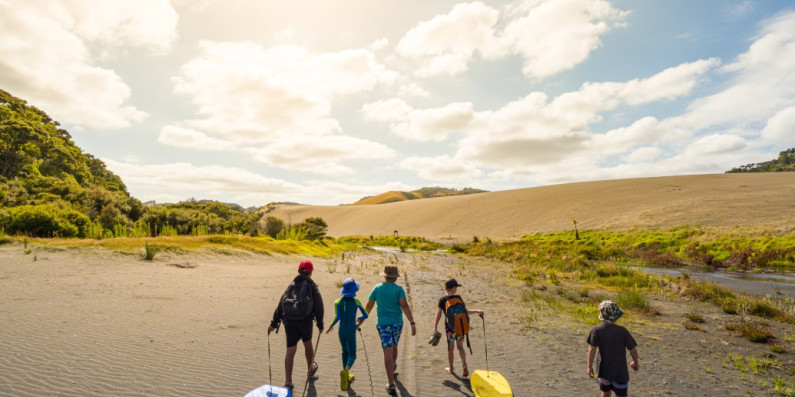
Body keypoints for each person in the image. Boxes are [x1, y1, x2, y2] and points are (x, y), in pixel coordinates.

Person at [357, 265, 416, 396]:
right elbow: (405, 306)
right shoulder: (399, 289)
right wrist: (412, 322)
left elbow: (369, 305)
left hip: (383, 325)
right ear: (395, 277)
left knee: (387, 352)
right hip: (397, 324)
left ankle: (391, 384)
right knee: (394, 345)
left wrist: (361, 319)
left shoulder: (377, 288)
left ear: (384, 276)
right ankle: (393, 366)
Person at [268, 260, 325, 391]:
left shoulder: (291, 284)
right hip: (305, 321)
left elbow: (281, 304)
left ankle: (288, 382)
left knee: (290, 349)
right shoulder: (312, 285)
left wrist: (274, 324)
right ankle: (310, 369)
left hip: (290, 321)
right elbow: (318, 306)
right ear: (311, 272)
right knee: (308, 344)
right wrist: (320, 324)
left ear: (299, 271)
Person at [586, 300, 639, 397]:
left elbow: (592, 349)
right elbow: (632, 349)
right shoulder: (622, 331)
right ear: (616, 316)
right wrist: (635, 363)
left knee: (605, 392)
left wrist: (589, 367)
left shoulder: (596, 330)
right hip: (620, 373)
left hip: (604, 371)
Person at [433, 278, 483, 378]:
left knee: (450, 349)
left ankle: (451, 369)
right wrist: (477, 311)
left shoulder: (442, 300)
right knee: (460, 347)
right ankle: (464, 365)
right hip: (460, 328)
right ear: (454, 288)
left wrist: (435, 327)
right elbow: (466, 311)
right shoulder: (458, 298)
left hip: (450, 329)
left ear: (446, 288)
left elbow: (438, 314)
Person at [325, 278, 369, 391]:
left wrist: (331, 325)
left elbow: (337, 317)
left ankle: (345, 375)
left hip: (341, 330)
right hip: (351, 330)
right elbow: (365, 315)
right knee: (353, 354)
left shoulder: (337, 302)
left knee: (345, 351)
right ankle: (346, 371)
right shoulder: (356, 302)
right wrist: (358, 320)